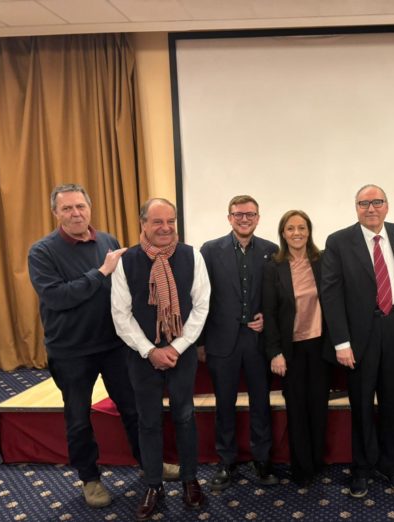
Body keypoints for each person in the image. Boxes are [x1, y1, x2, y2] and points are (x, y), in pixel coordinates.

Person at [28, 184, 173, 509]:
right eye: (67, 208)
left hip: (113, 346)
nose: (75, 213)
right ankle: (90, 479)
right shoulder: (42, 252)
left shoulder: (107, 241)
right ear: (55, 213)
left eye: (80, 206)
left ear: (89, 208)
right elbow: (57, 297)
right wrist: (101, 272)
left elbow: (123, 291)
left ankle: (150, 464)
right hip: (70, 351)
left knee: (133, 410)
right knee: (78, 418)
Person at [111, 198, 210, 520]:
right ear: (143, 224)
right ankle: (153, 484)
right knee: (148, 421)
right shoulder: (126, 261)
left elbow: (201, 306)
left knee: (185, 416)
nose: (166, 228)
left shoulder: (192, 256)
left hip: (182, 353)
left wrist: (176, 347)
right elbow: (120, 314)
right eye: (157, 222)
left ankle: (190, 479)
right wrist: (150, 350)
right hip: (142, 356)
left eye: (171, 221)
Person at [320, 184, 394, 498]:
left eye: (377, 202)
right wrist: (341, 342)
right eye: (364, 203)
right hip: (360, 334)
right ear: (356, 207)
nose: (371, 208)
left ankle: (392, 464)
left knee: (391, 402)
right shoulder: (338, 241)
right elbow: (331, 294)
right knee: (361, 404)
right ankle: (361, 468)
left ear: (387, 205)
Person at [199, 195, 279, 490]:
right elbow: (200, 298)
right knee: (224, 404)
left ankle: (262, 460)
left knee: (261, 403)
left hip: (257, 341)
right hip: (221, 341)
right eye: (238, 214)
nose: (244, 219)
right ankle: (226, 461)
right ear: (229, 217)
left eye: (250, 214)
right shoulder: (210, 250)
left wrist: (267, 319)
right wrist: (200, 342)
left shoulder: (272, 251)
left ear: (258, 218)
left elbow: (278, 296)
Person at [263, 210, 331, 487]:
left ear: (309, 231)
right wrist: (275, 352)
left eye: (301, 228)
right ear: (283, 233)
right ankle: (301, 468)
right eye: (290, 228)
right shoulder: (273, 266)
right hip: (290, 349)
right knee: (297, 409)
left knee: (318, 406)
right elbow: (269, 312)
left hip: (320, 345)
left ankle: (317, 462)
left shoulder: (322, 261)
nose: (296, 233)